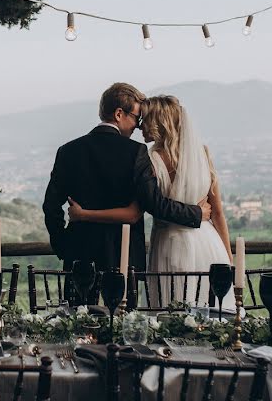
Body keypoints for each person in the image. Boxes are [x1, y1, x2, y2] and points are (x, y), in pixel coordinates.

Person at [42, 83, 211, 299]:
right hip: (123, 258)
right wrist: (196, 213)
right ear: (119, 114)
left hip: (79, 256)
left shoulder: (68, 151)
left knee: (78, 325)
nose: (138, 126)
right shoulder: (136, 152)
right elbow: (153, 203)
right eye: (136, 118)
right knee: (122, 326)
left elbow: (51, 206)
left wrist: (63, 245)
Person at [68, 95, 233, 310]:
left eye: (143, 119)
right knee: (214, 313)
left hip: (169, 246)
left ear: (157, 122)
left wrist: (83, 214)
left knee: (171, 311)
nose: (139, 126)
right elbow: (218, 212)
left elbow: (139, 210)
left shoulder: (149, 158)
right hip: (208, 244)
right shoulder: (202, 153)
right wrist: (229, 260)